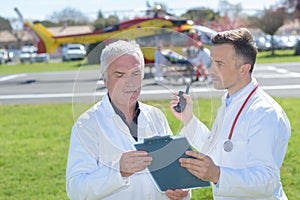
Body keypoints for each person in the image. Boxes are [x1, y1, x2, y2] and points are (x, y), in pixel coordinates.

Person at [170, 28, 291, 199]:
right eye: (212, 62)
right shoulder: (229, 101)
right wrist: (188, 119)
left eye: (219, 64)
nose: (211, 70)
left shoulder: (264, 113)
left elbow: (267, 181)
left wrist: (217, 175)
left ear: (243, 69)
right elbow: (217, 148)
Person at [66, 40, 189, 200]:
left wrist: (181, 192)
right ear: (105, 79)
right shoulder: (87, 125)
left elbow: (172, 173)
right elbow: (76, 190)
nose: (130, 82)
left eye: (136, 73)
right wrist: (118, 171)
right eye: (120, 75)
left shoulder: (156, 116)